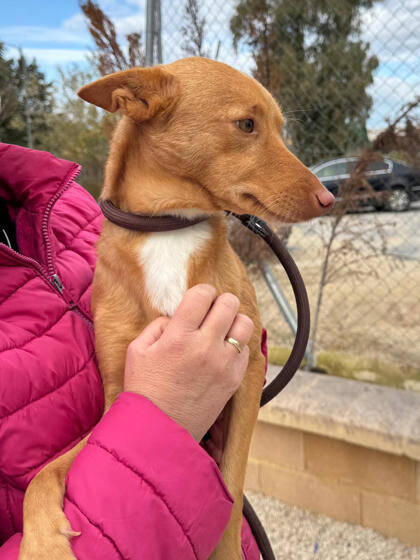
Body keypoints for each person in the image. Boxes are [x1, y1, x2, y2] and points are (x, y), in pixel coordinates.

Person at [0, 143, 266, 559]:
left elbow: (239, 349)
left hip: (210, 521)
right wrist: (166, 420)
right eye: (246, 128)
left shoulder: (64, 200)